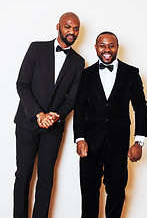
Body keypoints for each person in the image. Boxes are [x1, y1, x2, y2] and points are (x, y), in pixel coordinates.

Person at [13, 12, 85, 218]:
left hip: (53, 129)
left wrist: (55, 116)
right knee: (23, 175)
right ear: (58, 27)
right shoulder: (36, 49)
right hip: (27, 124)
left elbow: (73, 99)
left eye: (76, 28)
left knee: (46, 178)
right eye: (68, 27)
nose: (72, 31)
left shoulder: (79, 62)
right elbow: (22, 85)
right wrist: (39, 114)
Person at [73, 31, 147, 218]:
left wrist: (139, 142)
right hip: (90, 144)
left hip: (118, 144)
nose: (107, 49)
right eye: (102, 45)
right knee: (89, 191)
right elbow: (79, 108)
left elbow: (141, 108)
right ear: (96, 48)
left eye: (111, 45)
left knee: (117, 191)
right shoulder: (86, 74)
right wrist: (79, 138)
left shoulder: (131, 73)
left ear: (117, 47)